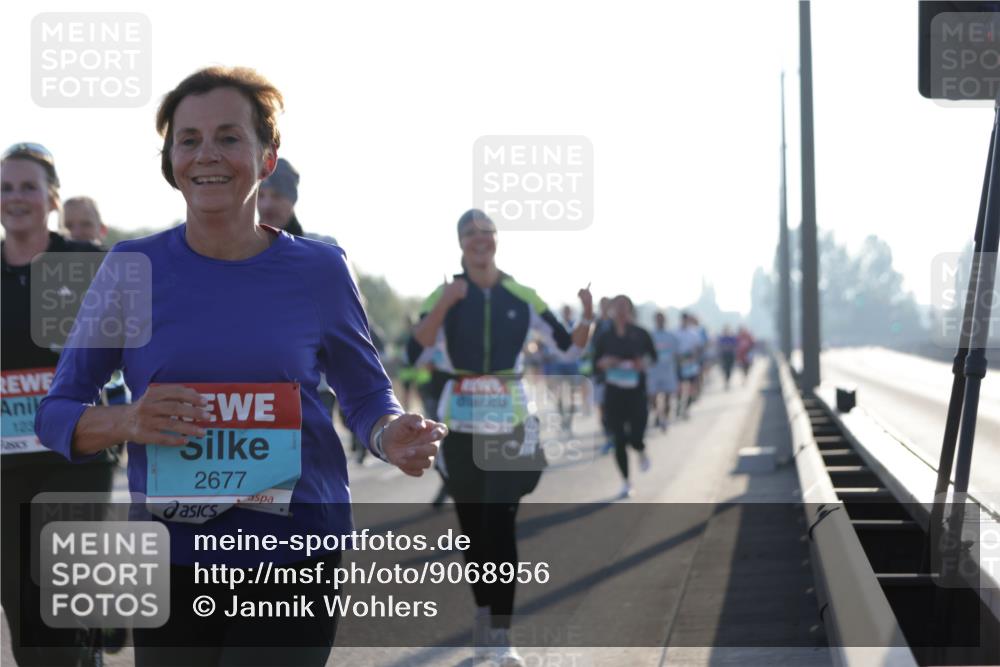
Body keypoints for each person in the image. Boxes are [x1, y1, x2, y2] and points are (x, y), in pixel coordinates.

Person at [34, 66, 445, 667]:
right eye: (189, 139)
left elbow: (365, 396)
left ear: (267, 156)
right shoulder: (131, 269)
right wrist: (126, 422)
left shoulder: (319, 270)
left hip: (295, 553)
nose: (207, 155)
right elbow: (57, 413)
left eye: (229, 137)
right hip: (173, 557)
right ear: (170, 158)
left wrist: (390, 435)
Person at [408, 208, 592, 666]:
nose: (479, 239)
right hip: (461, 424)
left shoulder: (521, 293)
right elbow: (416, 347)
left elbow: (569, 345)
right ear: (460, 243)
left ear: (497, 239)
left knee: (499, 523)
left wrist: (588, 315)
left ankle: (502, 635)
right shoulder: (444, 291)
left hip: (509, 423)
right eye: (470, 233)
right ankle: (485, 616)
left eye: (486, 232)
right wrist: (449, 302)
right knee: (473, 530)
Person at [1, 142, 117, 666]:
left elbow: (137, 348)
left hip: (75, 454)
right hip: (6, 466)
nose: (15, 197)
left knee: (61, 602)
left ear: (52, 199)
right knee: (23, 611)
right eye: (5, 187)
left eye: (28, 186)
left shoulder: (87, 264)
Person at [593, 295, 656, 498]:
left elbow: (652, 357)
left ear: (630, 309)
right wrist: (606, 362)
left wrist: (641, 363)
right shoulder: (604, 335)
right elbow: (595, 362)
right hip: (613, 393)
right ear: (610, 310)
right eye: (616, 307)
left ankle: (640, 448)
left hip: (636, 392)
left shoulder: (640, 333)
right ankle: (626, 481)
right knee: (618, 439)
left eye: (624, 306)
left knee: (635, 437)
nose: (620, 310)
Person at [646, 311, 679, 431]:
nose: (660, 321)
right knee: (652, 398)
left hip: (668, 371)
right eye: (658, 319)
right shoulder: (650, 335)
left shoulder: (671, 336)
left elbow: (676, 354)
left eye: (662, 319)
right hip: (653, 372)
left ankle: (664, 418)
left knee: (668, 397)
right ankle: (658, 415)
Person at [256, 156, 304, 236]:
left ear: (292, 200)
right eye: (260, 196)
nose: (266, 205)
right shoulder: (240, 246)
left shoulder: (318, 247)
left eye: (276, 196)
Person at [717, 325, 739, 390]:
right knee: (725, 369)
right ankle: (726, 381)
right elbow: (719, 346)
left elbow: (735, 346)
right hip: (724, 355)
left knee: (730, 368)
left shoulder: (732, 338)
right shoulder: (722, 338)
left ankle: (728, 380)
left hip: (730, 355)